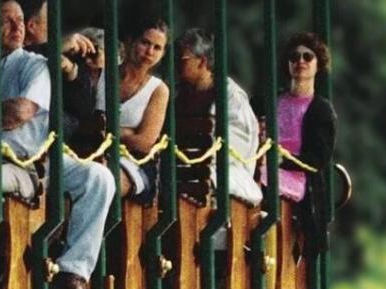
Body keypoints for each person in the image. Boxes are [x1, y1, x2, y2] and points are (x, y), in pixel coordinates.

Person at [0, 0, 115, 289]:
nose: (17, 27)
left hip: (36, 159)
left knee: (99, 178)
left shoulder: (33, 63)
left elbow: (21, 112)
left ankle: (73, 271)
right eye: (6, 20)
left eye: (20, 20)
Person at [267, 32, 338, 268]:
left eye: (308, 56)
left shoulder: (321, 110)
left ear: (318, 64)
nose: (301, 61)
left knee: (262, 180)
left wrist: (281, 161)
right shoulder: (273, 101)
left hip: (299, 179)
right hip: (266, 166)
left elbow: (318, 159)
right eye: (294, 57)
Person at [175, 28, 263, 205]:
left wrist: (199, 155)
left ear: (202, 61)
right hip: (181, 167)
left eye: (182, 59)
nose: (175, 63)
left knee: (199, 180)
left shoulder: (231, 95)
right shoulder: (177, 93)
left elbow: (239, 143)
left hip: (224, 169)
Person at [96, 17, 170, 202]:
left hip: (134, 164)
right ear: (130, 41)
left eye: (157, 48)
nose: (150, 52)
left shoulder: (158, 89)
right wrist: (128, 132)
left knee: (102, 181)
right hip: (91, 154)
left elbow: (145, 142)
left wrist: (107, 131)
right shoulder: (100, 75)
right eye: (145, 43)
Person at [21, 0, 99, 135]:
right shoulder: (9, 55)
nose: (56, 25)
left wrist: (72, 73)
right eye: (50, 19)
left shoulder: (61, 53)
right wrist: (53, 47)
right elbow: (17, 58)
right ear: (32, 26)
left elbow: (84, 111)